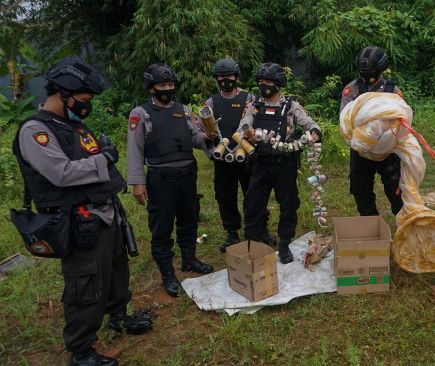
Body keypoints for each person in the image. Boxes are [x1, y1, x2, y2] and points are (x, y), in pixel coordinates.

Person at [13, 57, 152, 366]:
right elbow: (61, 172)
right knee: (86, 283)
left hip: (106, 213)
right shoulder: (37, 130)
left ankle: (118, 316)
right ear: (63, 93)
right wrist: (105, 158)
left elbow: (88, 156)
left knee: (117, 272)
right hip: (78, 221)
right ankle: (81, 350)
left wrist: (101, 155)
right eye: (84, 100)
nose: (87, 106)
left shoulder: (72, 124)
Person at [127, 63, 215, 298]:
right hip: (160, 178)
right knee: (162, 227)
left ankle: (189, 259)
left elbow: (194, 136)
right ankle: (168, 273)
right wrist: (137, 182)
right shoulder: (140, 114)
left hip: (187, 175)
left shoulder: (184, 110)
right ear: (151, 88)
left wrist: (206, 137)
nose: (167, 89)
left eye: (170, 84)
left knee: (189, 219)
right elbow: (135, 150)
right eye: (162, 85)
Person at [239, 62, 322, 264]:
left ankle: (284, 243)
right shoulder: (254, 106)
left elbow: (311, 124)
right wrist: (246, 134)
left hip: (284, 165)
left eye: (267, 82)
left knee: (288, 204)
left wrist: (314, 133)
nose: (263, 85)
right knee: (253, 205)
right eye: (260, 81)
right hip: (260, 164)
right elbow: (242, 127)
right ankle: (253, 242)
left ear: (278, 83)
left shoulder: (291, 107)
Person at [340, 45, 404, 217]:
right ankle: (370, 223)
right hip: (361, 150)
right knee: (360, 190)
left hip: (388, 151)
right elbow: (346, 122)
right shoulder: (351, 90)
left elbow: (400, 121)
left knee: (396, 189)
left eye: (371, 72)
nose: (368, 77)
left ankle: (404, 223)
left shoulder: (393, 91)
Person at [201, 58, 255, 253]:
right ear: (217, 79)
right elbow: (200, 131)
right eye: (221, 77)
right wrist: (210, 146)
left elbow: (257, 122)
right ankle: (232, 233)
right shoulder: (211, 103)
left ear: (236, 77)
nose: (225, 80)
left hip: (247, 156)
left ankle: (255, 230)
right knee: (225, 197)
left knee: (253, 194)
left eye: (229, 76)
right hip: (223, 159)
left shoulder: (250, 98)